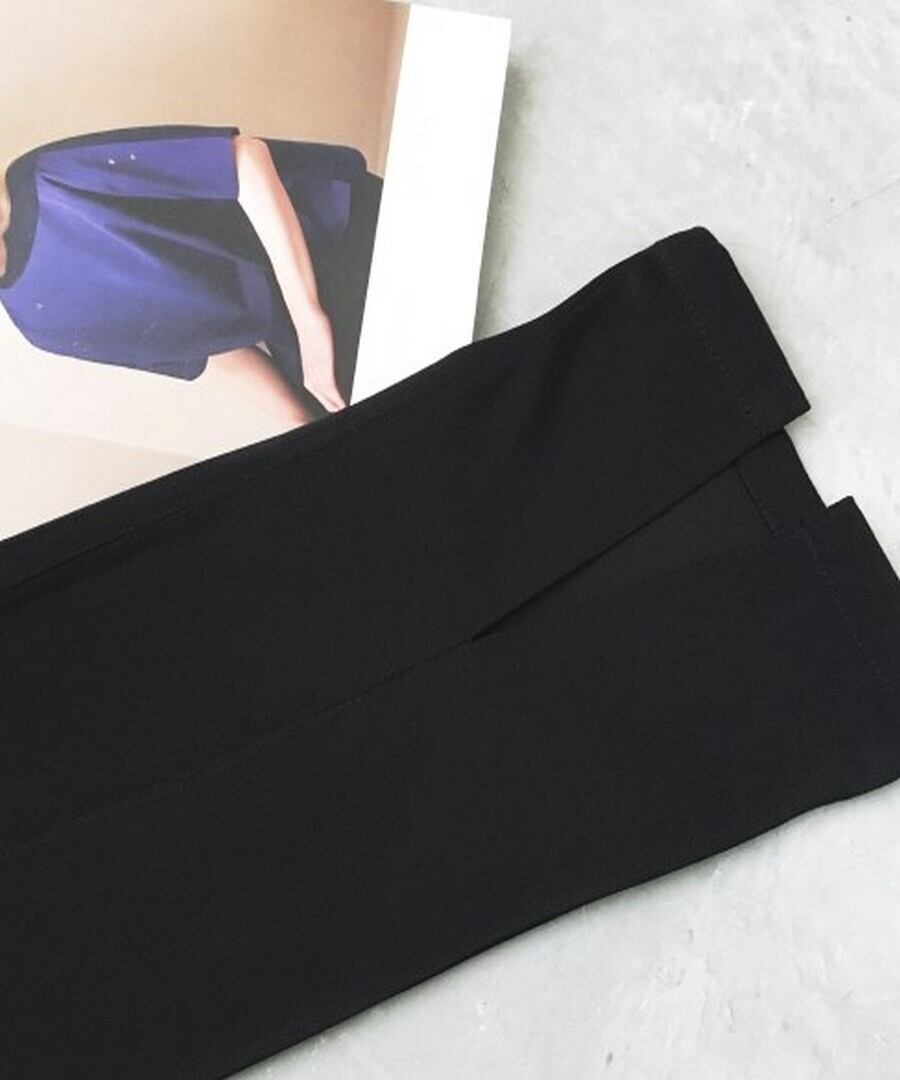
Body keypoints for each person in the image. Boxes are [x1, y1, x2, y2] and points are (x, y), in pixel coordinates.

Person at [0, 125, 383, 425]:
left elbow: (244, 160)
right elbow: (207, 346)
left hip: (334, 233)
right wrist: (298, 423)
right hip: (294, 333)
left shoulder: (45, 176)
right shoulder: (37, 324)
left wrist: (307, 317)